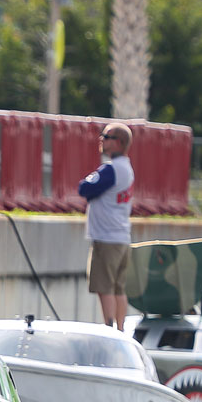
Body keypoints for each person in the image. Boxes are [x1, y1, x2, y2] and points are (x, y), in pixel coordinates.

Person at [80, 122, 135, 331]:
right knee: (119, 288)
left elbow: (85, 188)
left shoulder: (111, 169)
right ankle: (120, 329)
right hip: (122, 237)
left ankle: (109, 328)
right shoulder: (127, 168)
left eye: (107, 136)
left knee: (105, 287)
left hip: (106, 238)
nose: (101, 139)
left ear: (119, 143)